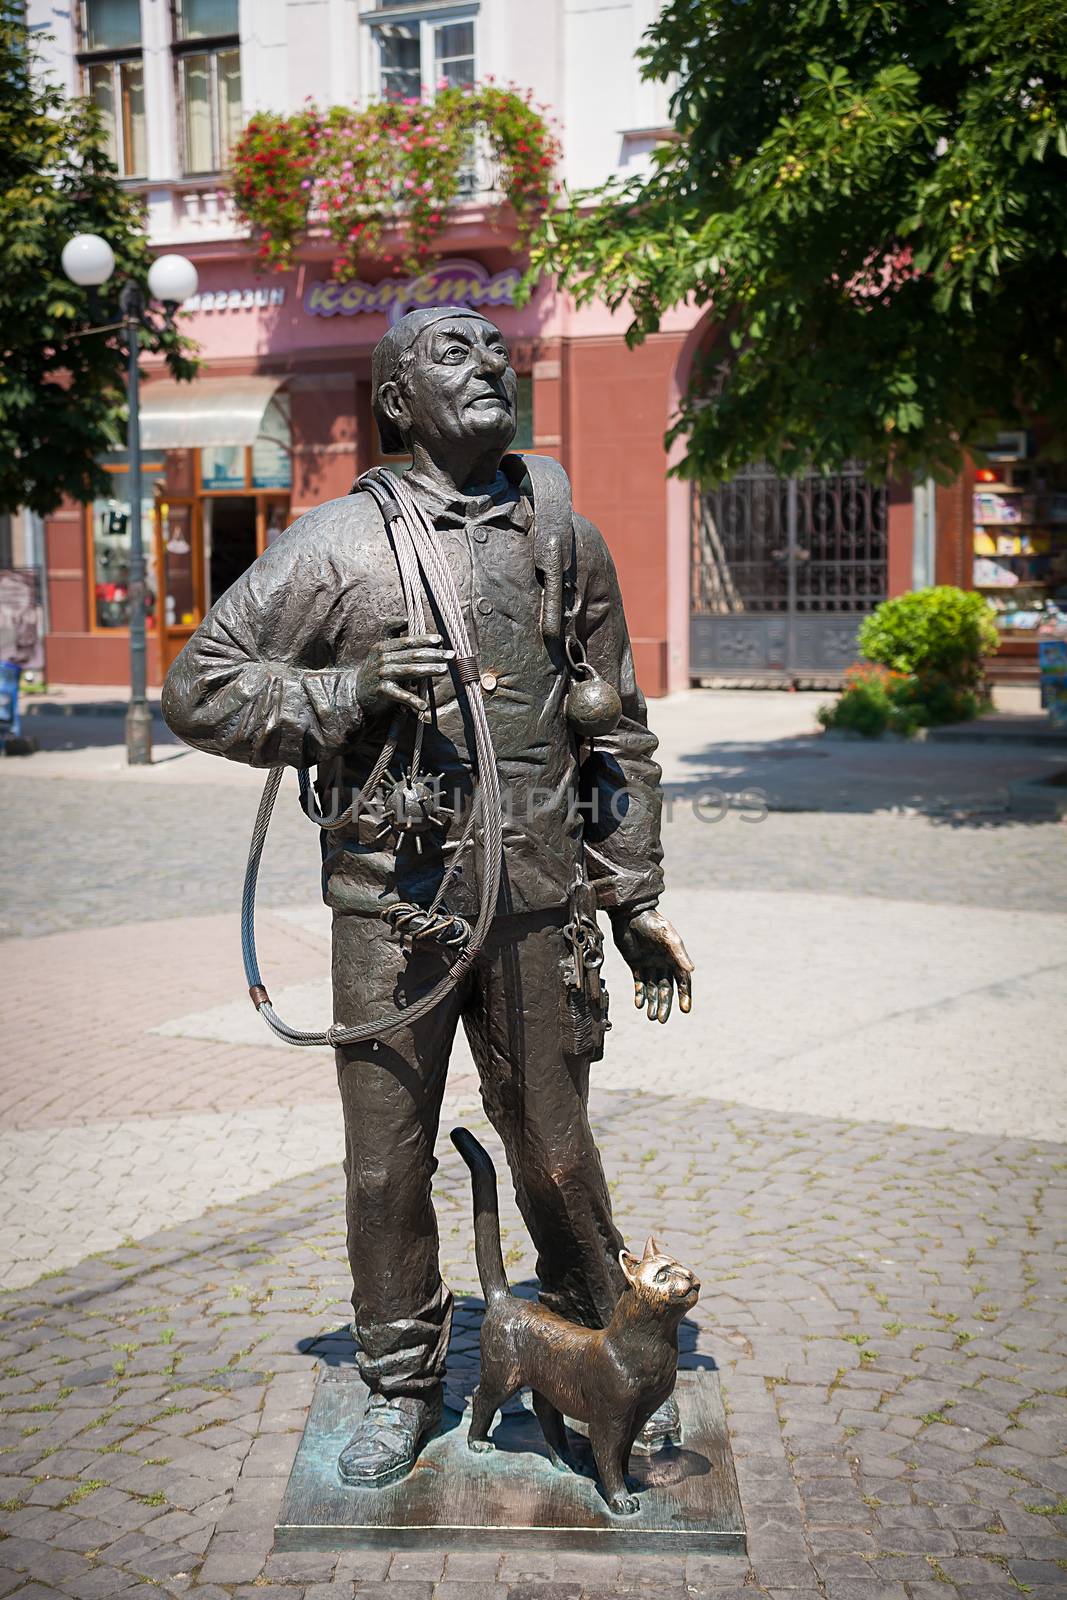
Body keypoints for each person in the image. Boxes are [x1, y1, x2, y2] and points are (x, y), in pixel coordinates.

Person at [162, 306, 694, 1488]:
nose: (490, 365)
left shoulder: (564, 538)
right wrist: (339, 694)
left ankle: (588, 1351)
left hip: (539, 900)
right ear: (396, 400)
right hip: (392, 910)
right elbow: (196, 688)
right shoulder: (337, 544)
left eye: (495, 349)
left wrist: (632, 898)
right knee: (385, 1165)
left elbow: (620, 738)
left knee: (555, 1153)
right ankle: (402, 1379)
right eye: (452, 353)